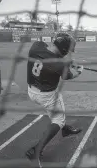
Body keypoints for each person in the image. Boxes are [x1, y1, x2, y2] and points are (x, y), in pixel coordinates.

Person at [25, 32, 83, 167]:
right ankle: (36, 151)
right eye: (67, 50)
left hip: (31, 90)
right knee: (58, 120)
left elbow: (49, 53)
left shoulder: (36, 46)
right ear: (63, 49)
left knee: (59, 104)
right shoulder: (58, 64)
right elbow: (69, 75)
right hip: (46, 96)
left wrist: (66, 62)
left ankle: (65, 129)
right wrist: (79, 70)